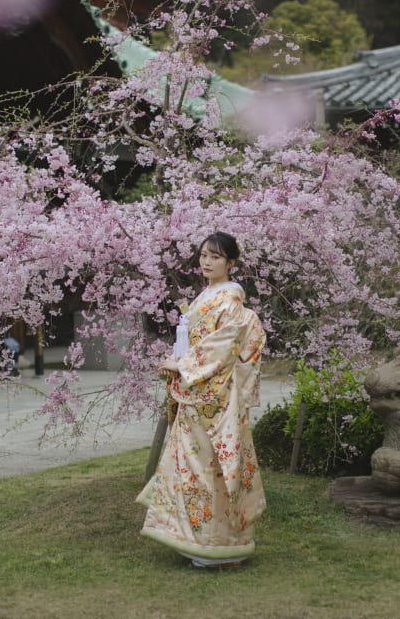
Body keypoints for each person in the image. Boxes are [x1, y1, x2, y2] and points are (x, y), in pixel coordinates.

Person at [137, 232, 267, 568]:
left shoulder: (230, 302)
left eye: (215, 257)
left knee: (211, 470)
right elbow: (196, 342)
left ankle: (218, 546)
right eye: (203, 255)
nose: (207, 262)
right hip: (197, 392)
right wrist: (178, 363)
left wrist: (183, 365)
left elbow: (224, 348)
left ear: (231, 263)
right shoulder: (206, 296)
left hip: (214, 397)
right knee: (193, 468)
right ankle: (194, 541)